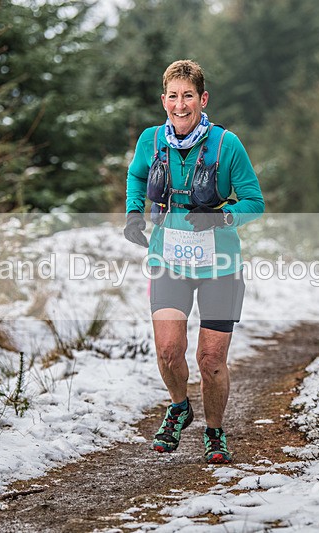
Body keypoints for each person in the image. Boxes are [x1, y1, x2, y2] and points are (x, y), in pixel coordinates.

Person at [124, 59, 265, 464]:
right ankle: (179, 406)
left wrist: (222, 217)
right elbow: (137, 176)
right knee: (169, 350)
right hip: (169, 259)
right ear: (163, 100)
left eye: (188, 96)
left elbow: (254, 201)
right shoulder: (151, 140)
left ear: (203, 99)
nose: (180, 104)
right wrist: (134, 212)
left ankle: (214, 430)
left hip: (220, 265)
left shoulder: (226, 144)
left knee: (211, 360)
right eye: (173, 96)